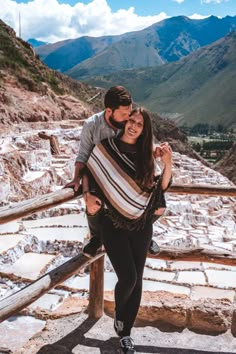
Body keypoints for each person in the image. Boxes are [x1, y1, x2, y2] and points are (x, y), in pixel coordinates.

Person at [83, 107, 172, 354]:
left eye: (139, 124)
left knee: (138, 279)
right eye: (130, 120)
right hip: (112, 223)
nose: (133, 126)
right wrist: (88, 195)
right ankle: (120, 318)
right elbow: (89, 173)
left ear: (145, 130)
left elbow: (159, 189)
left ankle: (125, 331)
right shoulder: (105, 147)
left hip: (141, 225)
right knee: (128, 277)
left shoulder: (146, 155)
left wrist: (167, 164)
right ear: (124, 121)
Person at [65, 85, 160, 257]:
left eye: (129, 113)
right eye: (124, 115)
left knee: (159, 205)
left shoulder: (127, 124)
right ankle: (96, 238)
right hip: (99, 174)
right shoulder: (92, 125)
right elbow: (83, 156)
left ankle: (141, 231)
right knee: (92, 203)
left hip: (129, 173)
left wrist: (155, 151)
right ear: (109, 111)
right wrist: (77, 180)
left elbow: (141, 140)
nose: (128, 119)